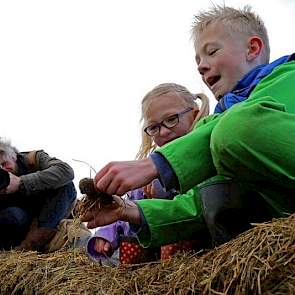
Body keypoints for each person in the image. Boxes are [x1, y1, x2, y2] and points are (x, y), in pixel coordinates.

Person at [81, 5, 295, 247]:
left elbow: (243, 129)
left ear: (252, 48)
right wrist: (130, 210)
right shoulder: (220, 123)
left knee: (234, 127)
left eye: (211, 52)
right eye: (198, 60)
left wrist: (156, 163)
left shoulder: (288, 76)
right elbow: (199, 205)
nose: (201, 66)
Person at [87, 83, 210, 264]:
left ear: (194, 114)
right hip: (155, 261)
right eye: (154, 127)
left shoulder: (208, 151)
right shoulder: (147, 174)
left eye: (171, 119)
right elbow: (126, 204)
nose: (164, 131)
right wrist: (106, 233)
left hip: (202, 251)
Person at [0, 138, 77, 252]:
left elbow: (66, 171)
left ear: (14, 157)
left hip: (48, 216)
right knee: (12, 215)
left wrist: (21, 183)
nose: (3, 171)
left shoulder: (33, 159)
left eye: (4, 164)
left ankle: (32, 245)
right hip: (19, 223)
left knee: (66, 185)